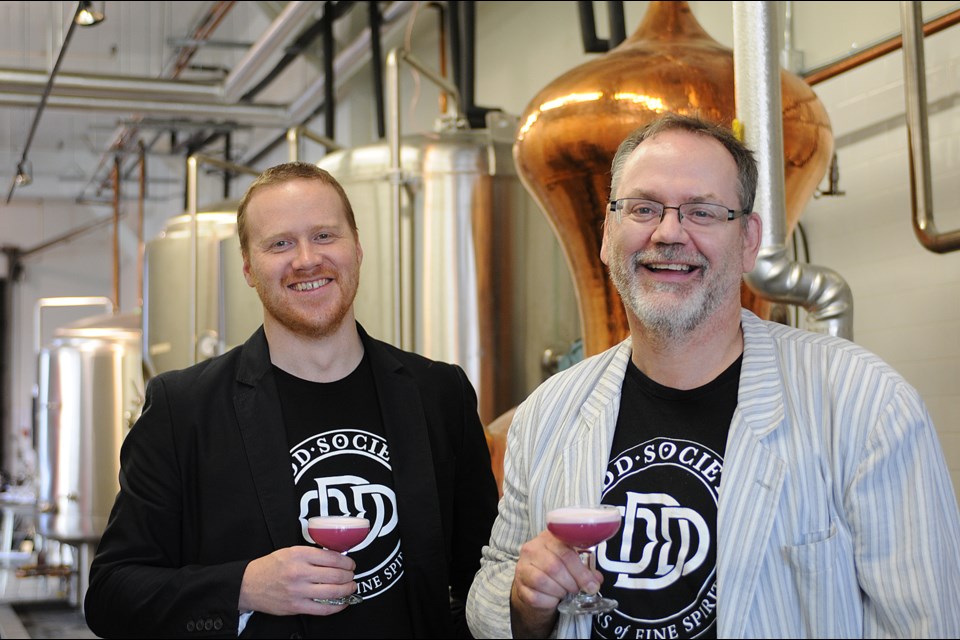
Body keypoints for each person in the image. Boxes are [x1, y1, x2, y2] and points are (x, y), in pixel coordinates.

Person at [465, 113, 960, 639]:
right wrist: (526, 601)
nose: (669, 232)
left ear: (748, 240)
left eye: (702, 212)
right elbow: (491, 589)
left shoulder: (867, 406)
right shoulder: (547, 413)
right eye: (643, 208)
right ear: (608, 235)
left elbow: (928, 622)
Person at [85, 162, 499, 638]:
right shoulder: (183, 410)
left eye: (325, 235)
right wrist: (244, 587)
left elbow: (484, 575)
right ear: (248, 268)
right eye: (280, 243)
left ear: (357, 249)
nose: (306, 259)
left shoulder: (439, 394)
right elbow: (112, 594)